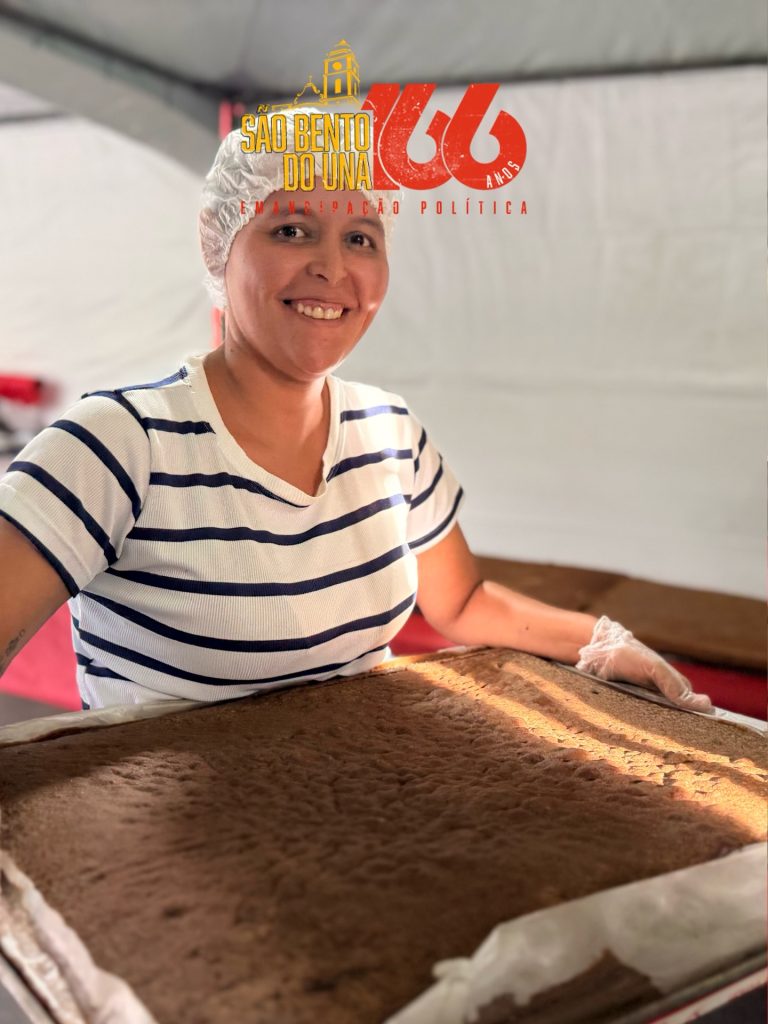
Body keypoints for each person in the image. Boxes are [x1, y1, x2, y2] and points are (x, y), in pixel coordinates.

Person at [0, 108, 713, 715]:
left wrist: (599, 640)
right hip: (160, 828)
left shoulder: (388, 433)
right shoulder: (120, 445)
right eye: (291, 229)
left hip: (356, 814)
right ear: (220, 244)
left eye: (360, 238)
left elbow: (462, 602)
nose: (333, 268)